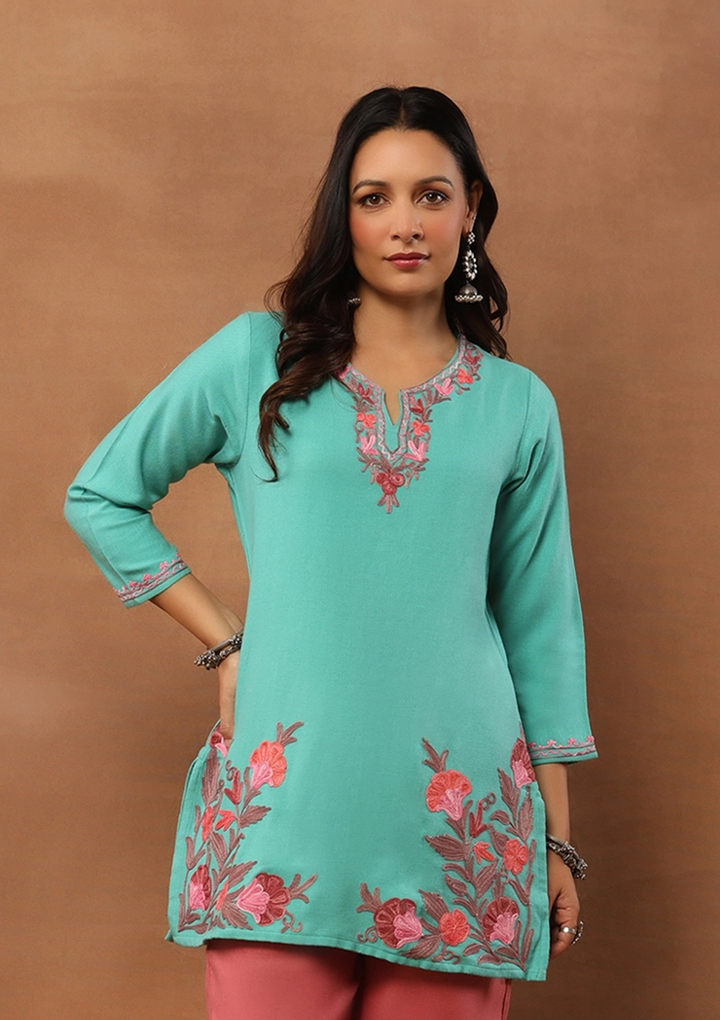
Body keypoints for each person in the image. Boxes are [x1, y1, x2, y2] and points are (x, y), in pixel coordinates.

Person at [64, 86, 596, 1020]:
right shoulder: (256, 360)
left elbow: (539, 620)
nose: (405, 224)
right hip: (287, 816)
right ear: (342, 213)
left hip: (462, 833)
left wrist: (555, 840)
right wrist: (226, 642)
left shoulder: (517, 405)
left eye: (432, 195)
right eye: (373, 197)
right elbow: (102, 495)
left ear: (471, 208)